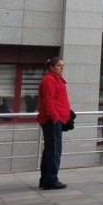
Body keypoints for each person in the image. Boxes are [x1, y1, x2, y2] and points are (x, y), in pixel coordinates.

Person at [37, 56, 71, 190]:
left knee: (51, 150)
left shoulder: (56, 79)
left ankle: (46, 179)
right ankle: (51, 179)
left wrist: (67, 114)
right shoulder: (49, 80)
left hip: (55, 119)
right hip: (51, 120)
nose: (62, 68)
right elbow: (49, 101)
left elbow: (59, 100)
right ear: (51, 67)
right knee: (54, 150)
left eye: (63, 65)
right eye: (59, 65)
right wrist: (56, 118)